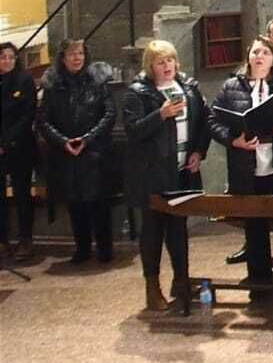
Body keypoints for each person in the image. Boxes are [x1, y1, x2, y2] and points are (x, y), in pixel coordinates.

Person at [209, 37, 273, 288]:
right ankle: (259, 282)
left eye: (265, 52)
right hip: (247, 165)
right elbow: (213, 120)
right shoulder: (231, 86)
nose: (259, 56)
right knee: (255, 227)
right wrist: (233, 140)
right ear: (248, 57)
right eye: (255, 52)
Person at [123, 39, 207, 313]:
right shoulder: (138, 93)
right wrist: (160, 115)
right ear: (151, 66)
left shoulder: (188, 87)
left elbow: (203, 122)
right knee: (153, 231)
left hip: (183, 170)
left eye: (170, 60)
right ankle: (152, 288)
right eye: (161, 62)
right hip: (153, 174)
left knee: (179, 230)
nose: (167, 65)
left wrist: (198, 152)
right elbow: (133, 130)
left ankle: (181, 283)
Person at [37, 38, 116, 263]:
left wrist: (87, 139)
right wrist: (64, 142)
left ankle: (105, 249)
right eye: (72, 54)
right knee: (75, 203)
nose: (77, 58)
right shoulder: (53, 85)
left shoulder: (97, 81)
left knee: (99, 203)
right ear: (63, 58)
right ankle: (82, 248)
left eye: (80, 53)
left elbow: (109, 114)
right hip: (66, 154)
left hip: (94, 152)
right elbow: (43, 120)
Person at [0, 40, 38, 259]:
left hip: (19, 146)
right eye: (3, 57)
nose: (7, 61)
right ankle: (2, 239)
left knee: (22, 194)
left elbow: (27, 115)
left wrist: (6, 142)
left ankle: (26, 240)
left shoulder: (24, 80)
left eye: (11, 57)